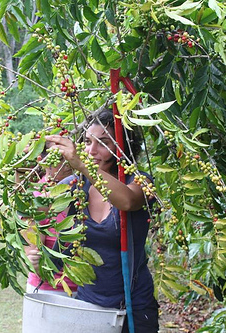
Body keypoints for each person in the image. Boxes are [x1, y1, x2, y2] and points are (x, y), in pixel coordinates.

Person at [46, 109, 159, 333]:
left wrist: (82, 165)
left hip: (133, 307)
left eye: (103, 142)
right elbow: (66, 242)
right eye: (88, 142)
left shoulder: (140, 182)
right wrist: (40, 256)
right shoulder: (76, 188)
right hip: (90, 306)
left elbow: (127, 201)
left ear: (124, 147)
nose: (92, 150)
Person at [20, 142, 78, 297]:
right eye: (58, 158)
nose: (65, 164)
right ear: (41, 160)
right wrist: (35, 261)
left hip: (86, 289)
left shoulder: (83, 186)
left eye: (68, 156)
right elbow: (33, 251)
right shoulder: (35, 195)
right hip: (50, 289)